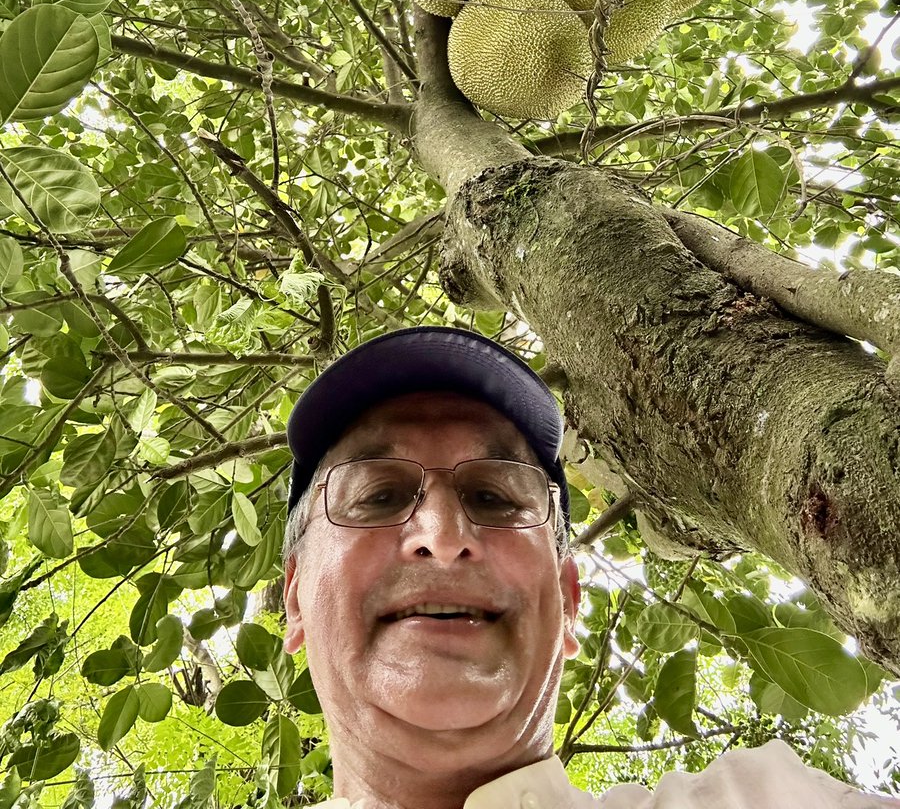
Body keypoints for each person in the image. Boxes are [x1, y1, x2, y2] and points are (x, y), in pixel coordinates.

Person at [282, 326, 898, 809]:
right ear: (294, 600)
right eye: (379, 496)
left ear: (569, 597)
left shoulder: (770, 801)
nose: (443, 538)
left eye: (494, 497)